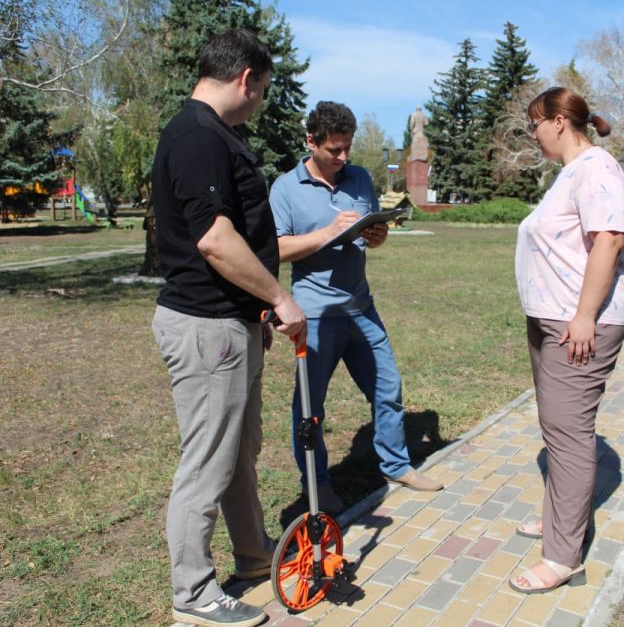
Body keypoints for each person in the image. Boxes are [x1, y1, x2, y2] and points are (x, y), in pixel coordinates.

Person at [149, 30, 306, 627]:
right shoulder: (195, 135)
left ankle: (251, 554)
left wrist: (258, 312)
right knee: (208, 462)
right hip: (205, 327)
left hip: (232, 324)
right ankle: (192, 594)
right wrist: (278, 298)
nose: (260, 102)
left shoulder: (217, 135)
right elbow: (215, 239)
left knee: (239, 452)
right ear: (246, 78)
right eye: (262, 91)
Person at [268, 101, 443, 515]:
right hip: (314, 316)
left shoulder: (360, 178)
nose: (343, 158)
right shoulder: (285, 188)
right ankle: (319, 483)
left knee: (388, 388)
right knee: (310, 408)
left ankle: (396, 464)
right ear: (310, 142)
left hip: (361, 308)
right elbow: (276, 248)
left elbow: (365, 236)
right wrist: (329, 232)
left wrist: (376, 234)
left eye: (347, 148)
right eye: (334, 150)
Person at [510, 87, 624, 594]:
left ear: (559, 121)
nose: (532, 133)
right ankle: (562, 517)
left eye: (534, 123)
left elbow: (609, 239)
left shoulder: (597, 168)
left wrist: (584, 316)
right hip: (552, 320)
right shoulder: (571, 173)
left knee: (569, 434)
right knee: (557, 430)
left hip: (578, 326)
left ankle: (564, 556)